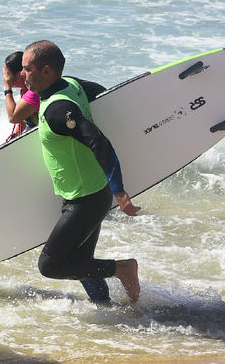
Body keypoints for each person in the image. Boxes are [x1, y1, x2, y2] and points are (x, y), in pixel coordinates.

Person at [20, 40, 141, 304]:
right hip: (90, 191)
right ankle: (105, 309)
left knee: (50, 265)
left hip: (85, 199)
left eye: (27, 69)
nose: (22, 75)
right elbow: (103, 93)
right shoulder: (71, 85)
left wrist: (119, 191)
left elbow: (99, 142)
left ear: (46, 71)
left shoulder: (57, 110)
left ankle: (123, 269)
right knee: (81, 263)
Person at [3, 50, 40, 141]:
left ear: (21, 73)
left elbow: (13, 118)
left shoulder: (34, 92)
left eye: (8, 73)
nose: (6, 78)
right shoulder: (26, 89)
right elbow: (23, 116)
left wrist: (8, 88)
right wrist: (15, 135)